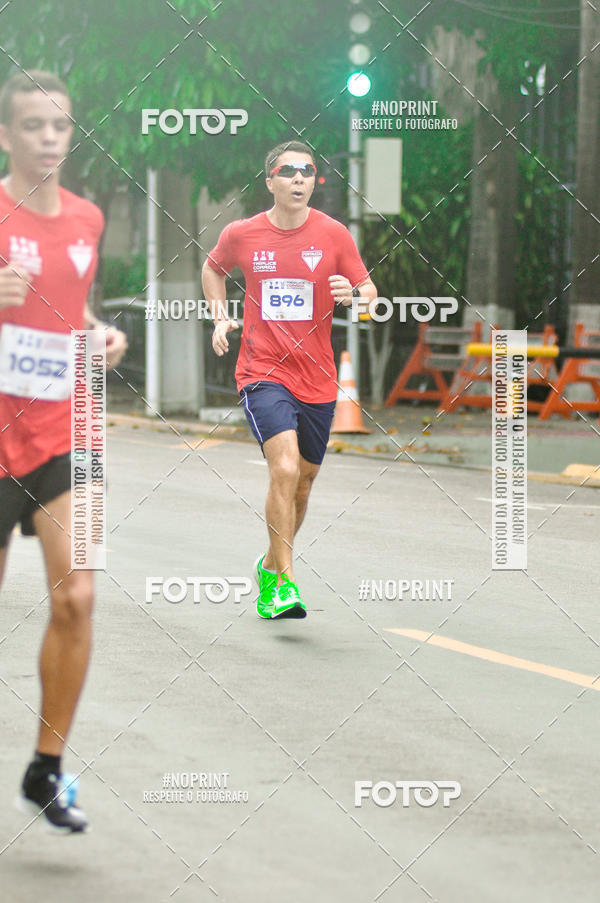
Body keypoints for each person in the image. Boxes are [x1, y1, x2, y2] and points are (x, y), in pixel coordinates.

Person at [0, 70, 127, 832]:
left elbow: (70, 310)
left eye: (60, 125)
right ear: (5, 135)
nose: (49, 138)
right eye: (33, 125)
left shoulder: (87, 219)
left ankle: (45, 770)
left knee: (77, 595)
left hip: (66, 431)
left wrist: (99, 336)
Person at [202, 140, 377, 620]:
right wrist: (220, 317)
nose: (299, 178)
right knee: (284, 468)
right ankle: (284, 584)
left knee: (302, 484)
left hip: (317, 378)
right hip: (262, 371)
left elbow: (370, 292)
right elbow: (212, 269)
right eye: (288, 171)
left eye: (308, 171)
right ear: (270, 181)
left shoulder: (333, 234)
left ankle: (268, 565)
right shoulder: (242, 234)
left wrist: (354, 295)